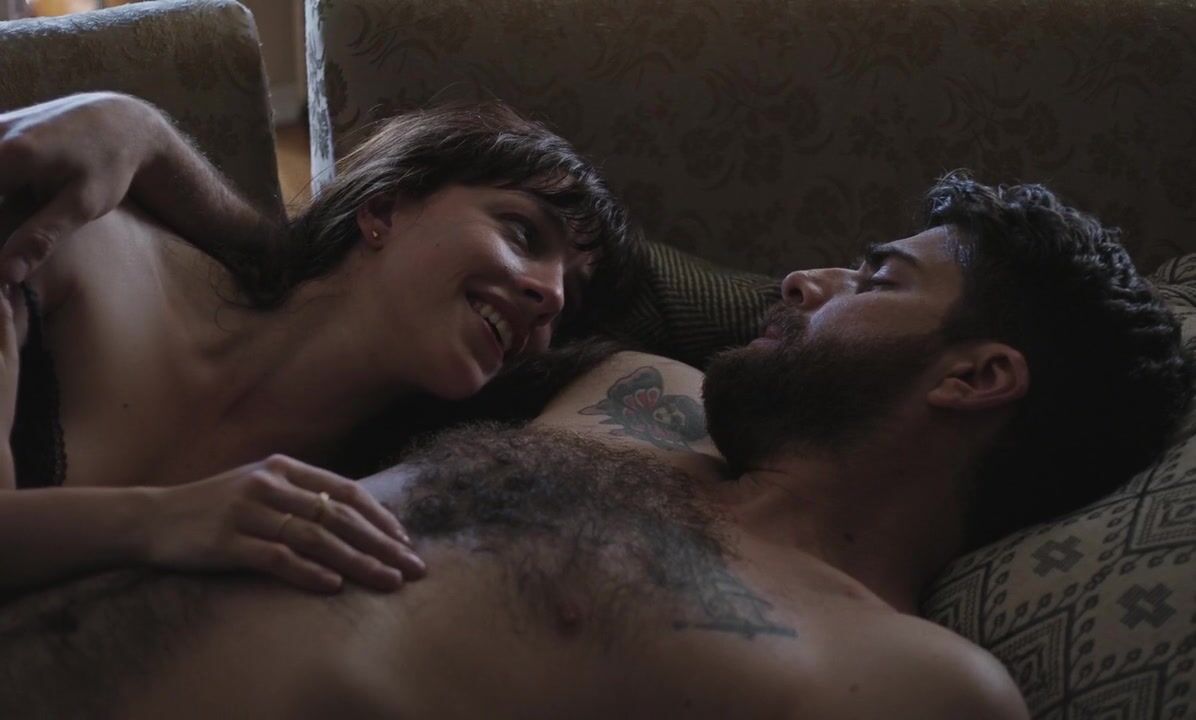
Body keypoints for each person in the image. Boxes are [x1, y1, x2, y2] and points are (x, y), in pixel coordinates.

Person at [1, 174, 1189, 718]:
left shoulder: (910, 679)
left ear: (975, 377)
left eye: (874, 277)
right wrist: (137, 135)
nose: (800, 279)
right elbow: (385, 250)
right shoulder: (650, 389)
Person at [0, 93, 636, 594]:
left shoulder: (385, 503)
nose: (552, 297)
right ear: (382, 211)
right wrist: (161, 521)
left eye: (571, 303)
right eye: (523, 233)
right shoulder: (76, 245)